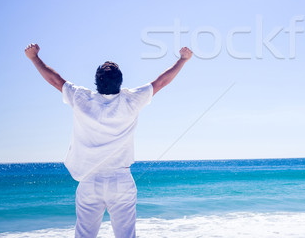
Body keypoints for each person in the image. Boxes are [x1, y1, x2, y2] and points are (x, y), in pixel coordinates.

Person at [24, 43, 193, 238]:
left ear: (97, 82)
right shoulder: (131, 100)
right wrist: (182, 60)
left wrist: (34, 57)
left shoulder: (81, 98)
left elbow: (55, 80)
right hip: (121, 180)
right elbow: (161, 82)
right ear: (120, 82)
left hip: (89, 181)